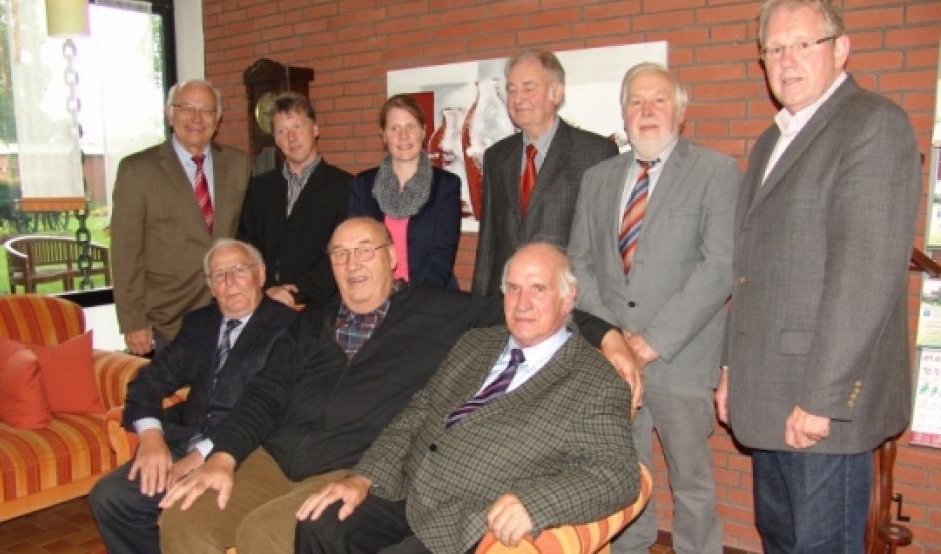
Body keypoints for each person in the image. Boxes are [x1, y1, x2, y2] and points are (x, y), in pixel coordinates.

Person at [155, 218, 634, 554]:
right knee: (185, 515)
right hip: (307, 461)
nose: (352, 262)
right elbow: (267, 393)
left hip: (388, 478)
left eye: (365, 250)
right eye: (340, 253)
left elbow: (616, 473)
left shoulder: (441, 313)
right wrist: (223, 455)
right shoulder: (313, 322)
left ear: (391, 259)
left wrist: (608, 335)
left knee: (272, 532)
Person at [717, 1, 920, 552]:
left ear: (841, 49)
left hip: (820, 408)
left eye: (803, 44)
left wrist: (823, 399)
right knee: (781, 542)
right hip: (768, 395)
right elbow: (751, 274)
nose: (787, 60)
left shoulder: (872, 125)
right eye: (775, 48)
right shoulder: (769, 143)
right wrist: (732, 367)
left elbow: (866, 276)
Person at [293, 243, 638, 554]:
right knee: (320, 525)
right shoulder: (476, 343)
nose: (523, 303)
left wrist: (536, 504)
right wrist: (362, 478)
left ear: (568, 299)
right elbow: (418, 412)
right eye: (513, 289)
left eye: (538, 289)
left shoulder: (596, 380)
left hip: (467, 516)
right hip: (407, 488)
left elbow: (619, 474)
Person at [568, 62, 740, 554]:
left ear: (681, 110)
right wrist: (615, 338)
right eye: (635, 102)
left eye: (658, 100)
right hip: (613, 359)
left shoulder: (716, 172)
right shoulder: (598, 179)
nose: (646, 111)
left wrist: (652, 340)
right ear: (623, 113)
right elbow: (578, 262)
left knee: (692, 485)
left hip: (681, 360)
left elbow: (720, 267)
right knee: (624, 475)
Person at [89, 239, 296, 554]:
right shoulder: (199, 323)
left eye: (239, 270)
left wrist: (198, 457)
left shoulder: (289, 328)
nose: (229, 282)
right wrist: (151, 438)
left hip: (244, 452)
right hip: (181, 437)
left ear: (260, 274)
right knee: (111, 497)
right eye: (219, 275)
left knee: (184, 512)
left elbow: (272, 408)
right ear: (211, 287)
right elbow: (150, 380)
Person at [111, 79, 251, 355]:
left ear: (218, 118)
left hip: (227, 312)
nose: (196, 118)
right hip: (166, 319)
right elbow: (125, 253)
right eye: (187, 108)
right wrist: (133, 320)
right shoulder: (137, 171)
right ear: (169, 113)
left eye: (207, 110)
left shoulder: (238, 165)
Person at [471, 48, 618, 296]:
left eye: (529, 88)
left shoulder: (596, 154)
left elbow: (606, 249)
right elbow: (487, 245)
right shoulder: (496, 157)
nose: (518, 99)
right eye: (512, 90)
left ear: (556, 92)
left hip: (568, 305)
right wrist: (477, 312)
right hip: (506, 305)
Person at [237, 92, 352, 307]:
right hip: (265, 302)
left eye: (298, 127)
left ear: (315, 129)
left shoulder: (344, 187)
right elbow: (246, 245)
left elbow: (344, 252)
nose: (292, 137)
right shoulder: (258, 188)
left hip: (319, 307)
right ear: (275, 139)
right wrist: (266, 287)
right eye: (282, 130)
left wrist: (297, 292)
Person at [348, 94, 461, 288]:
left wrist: (411, 302)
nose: (403, 136)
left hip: (429, 297)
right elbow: (355, 248)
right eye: (395, 128)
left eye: (410, 127)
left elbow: (442, 256)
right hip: (376, 293)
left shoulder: (446, 186)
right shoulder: (363, 185)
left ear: (424, 131)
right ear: (383, 135)